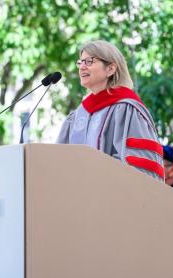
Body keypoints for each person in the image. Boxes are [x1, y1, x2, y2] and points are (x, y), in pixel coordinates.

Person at [56, 40, 164, 181]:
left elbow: (140, 168)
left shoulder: (126, 109)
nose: (82, 67)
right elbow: (59, 162)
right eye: (80, 62)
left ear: (110, 69)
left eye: (89, 61)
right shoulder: (78, 115)